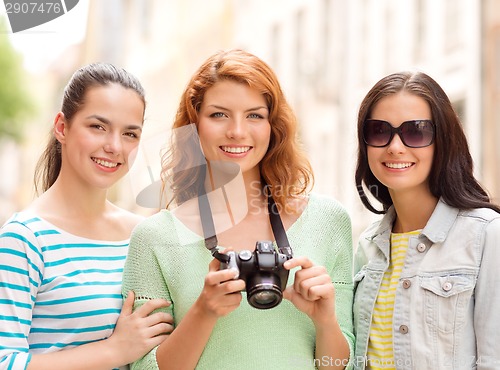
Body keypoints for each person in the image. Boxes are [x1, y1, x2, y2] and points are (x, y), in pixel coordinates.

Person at [121, 48, 355, 370]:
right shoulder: (153, 238)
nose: (237, 131)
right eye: (219, 114)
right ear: (194, 124)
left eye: (255, 115)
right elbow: (143, 367)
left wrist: (325, 320)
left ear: (274, 126)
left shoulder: (328, 221)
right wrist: (204, 311)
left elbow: (340, 365)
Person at [0, 63, 173, 370]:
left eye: (130, 133)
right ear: (62, 127)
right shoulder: (24, 238)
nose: (114, 146)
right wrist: (114, 351)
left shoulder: (144, 235)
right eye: (98, 126)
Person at [352, 71, 500, 369]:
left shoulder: (487, 236)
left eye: (416, 131)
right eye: (379, 131)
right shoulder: (367, 247)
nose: (395, 147)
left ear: (443, 142)